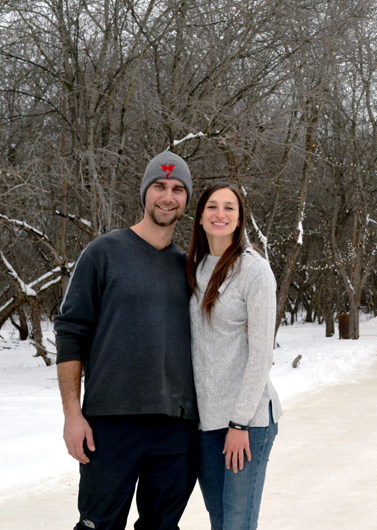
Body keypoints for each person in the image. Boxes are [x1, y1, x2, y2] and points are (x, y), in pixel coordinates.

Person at [55, 151, 198, 530]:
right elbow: (70, 333)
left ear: (187, 199)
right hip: (110, 425)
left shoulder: (191, 268)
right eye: (159, 186)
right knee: (98, 525)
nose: (168, 196)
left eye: (178, 189)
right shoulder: (102, 254)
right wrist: (72, 414)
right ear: (144, 193)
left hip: (176, 426)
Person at [187, 182, 282, 530]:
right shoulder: (193, 268)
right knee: (220, 521)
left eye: (229, 207)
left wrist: (240, 423)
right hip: (206, 422)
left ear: (240, 219)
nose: (220, 214)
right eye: (212, 206)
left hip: (247, 422)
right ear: (199, 217)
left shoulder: (254, 271)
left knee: (237, 524)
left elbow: (261, 354)